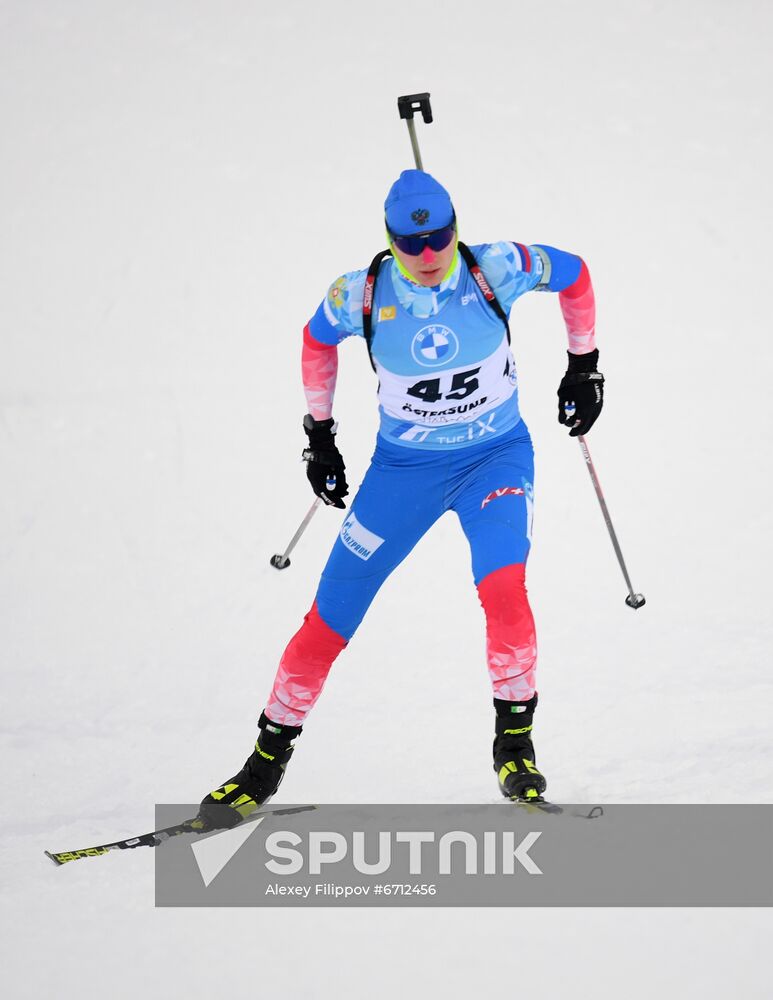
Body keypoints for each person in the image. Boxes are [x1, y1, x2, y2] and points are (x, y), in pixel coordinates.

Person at [199, 169, 603, 827]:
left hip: (492, 460)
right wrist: (319, 435)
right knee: (327, 622)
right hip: (401, 474)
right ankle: (262, 766)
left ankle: (515, 746)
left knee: (504, 592)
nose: (426, 255)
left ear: (455, 228)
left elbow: (575, 273)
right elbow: (315, 340)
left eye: (439, 237)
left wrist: (583, 365)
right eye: (410, 244)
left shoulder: (496, 267)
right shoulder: (359, 293)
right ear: (389, 239)